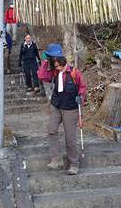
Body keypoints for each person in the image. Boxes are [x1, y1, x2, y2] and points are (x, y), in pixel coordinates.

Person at [38, 43, 86, 175]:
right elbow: (42, 77)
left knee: (70, 137)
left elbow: (82, 87)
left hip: (70, 108)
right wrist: (45, 62)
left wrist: (81, 97)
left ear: (63, 62)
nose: (57, 68)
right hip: (56, 105)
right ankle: (56, 159)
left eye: (58, 66)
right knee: (52, 130)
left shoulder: (74, 73)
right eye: (55, 66)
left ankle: (74, 163)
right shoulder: (54, 71)